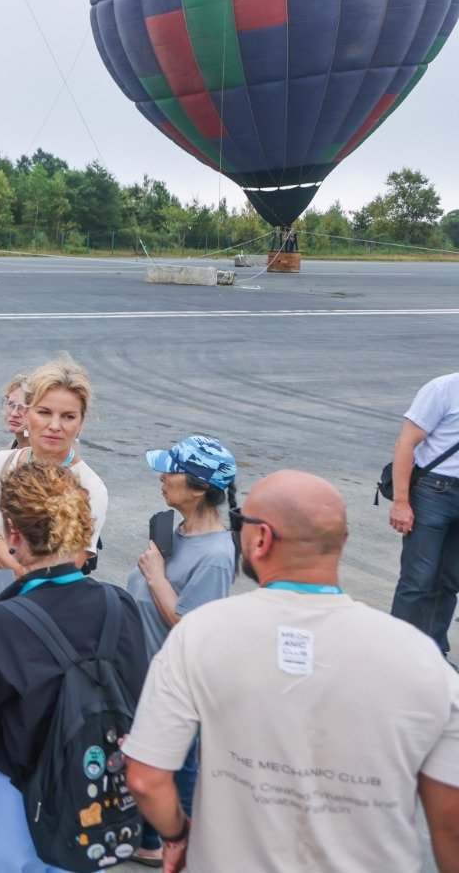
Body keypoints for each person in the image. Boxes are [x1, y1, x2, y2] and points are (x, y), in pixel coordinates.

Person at [125, 471, 459, 873]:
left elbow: (145, 778)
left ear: (261, 539)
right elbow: (452, 819)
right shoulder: (419, 657)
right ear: (342, 540)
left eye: (240, 522)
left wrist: (177, 837)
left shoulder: (201, 634)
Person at [0, 462, 150, 873]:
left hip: (12, 799)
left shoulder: (1, 621)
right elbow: (139, 697)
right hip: (90, 793)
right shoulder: (118, 604)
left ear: (14, 534)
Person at [123, 435, 239, 863]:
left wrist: (156, 576)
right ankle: (150, 841)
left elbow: (192, 625)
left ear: (198, 489)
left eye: (170, 471)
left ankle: (186, 850)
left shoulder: (216, 554)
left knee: (178, 766)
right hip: (144, 671)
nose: (161, 477)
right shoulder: (180, 531)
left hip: (174, 683)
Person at [0, 358, 108, 592]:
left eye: (68, 416)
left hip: (39, 607)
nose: (55, 425)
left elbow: (63, 572)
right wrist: (17, 567)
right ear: (27, 414)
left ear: (81, 423)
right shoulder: (2, 462)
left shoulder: (90, 486)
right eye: (44, 412)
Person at [389, 369, 459, 657]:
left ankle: (433, 655)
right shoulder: (443, 389)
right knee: (418, 579)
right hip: (433, 492)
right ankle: (398, 656)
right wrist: (401, 501)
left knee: (449, 581)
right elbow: (405, 443)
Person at [0, 374, 28, 450]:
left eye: (22, 407)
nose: (14, 413)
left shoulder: (43, 452)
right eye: (10, 404)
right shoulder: (11, 447)